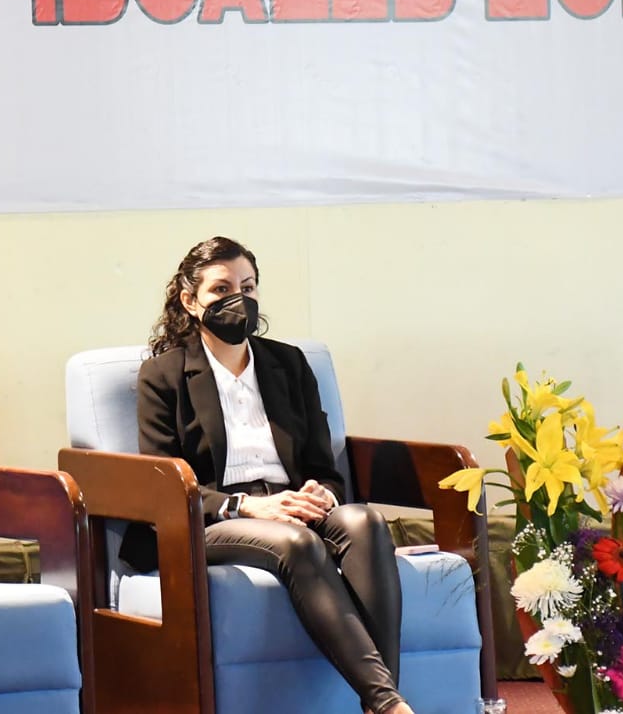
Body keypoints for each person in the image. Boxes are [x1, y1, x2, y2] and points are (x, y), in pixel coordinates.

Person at [127, 236, 413, 714]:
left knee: (364, 521)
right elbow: (165, 486)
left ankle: (380, 703)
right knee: (296, 543)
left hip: (292, 503)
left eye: (248, 287)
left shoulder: (289, 363)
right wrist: (249, 506)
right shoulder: (163, 375)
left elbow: (325, 468)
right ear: (190, 301)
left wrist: (320, 494)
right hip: (216, 519)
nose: (238, 300)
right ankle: (388, 703)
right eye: (221, 290)